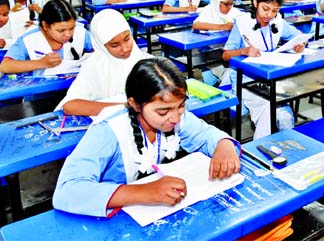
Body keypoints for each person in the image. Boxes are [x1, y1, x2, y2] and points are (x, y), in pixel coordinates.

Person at [53, 57, 240, 217]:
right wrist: (144, 192)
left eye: (181, 106)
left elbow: (207, 135)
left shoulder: (174, 115)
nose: (175, 117)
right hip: (113, 216)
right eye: (163, 111)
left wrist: (224, 146)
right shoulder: (108, 131)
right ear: (135, 104)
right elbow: (67, 191)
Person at [222, 0, 304, 139]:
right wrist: (244, 51)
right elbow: (225, 55)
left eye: (275, 10)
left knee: (285, 117)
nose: (269, 15)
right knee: (269, 108)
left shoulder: (277, 21)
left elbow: (298, 36)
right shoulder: (242, 23)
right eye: (265, 9)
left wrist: (299, 44)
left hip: (271, 81)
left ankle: (289, 149)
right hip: (246, 82)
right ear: (255, 3)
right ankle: (258, 154)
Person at [56, 9, 149, 116]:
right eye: (114, 45)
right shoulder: (94, 66)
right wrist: (124, 107)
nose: (125, 48)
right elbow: (70, 106)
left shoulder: (142, 61)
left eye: (127, 38)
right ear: (100, 45)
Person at [0, 0, 93, 75]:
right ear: (45, 26)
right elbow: (5, 66)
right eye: (61, 31)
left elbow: (101, 51)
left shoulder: (81, 33)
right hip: (41, 94)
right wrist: (40, 63)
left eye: (72, 28)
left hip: (74, 88)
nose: (68, 34)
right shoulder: (29, 39)